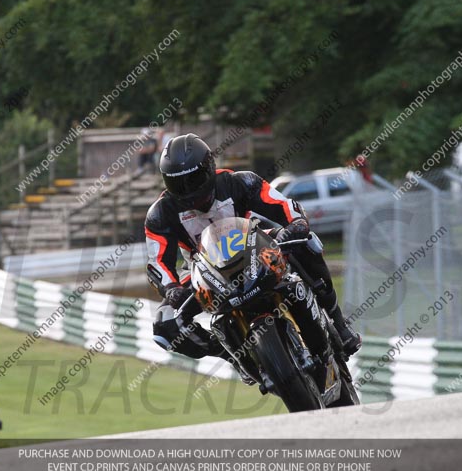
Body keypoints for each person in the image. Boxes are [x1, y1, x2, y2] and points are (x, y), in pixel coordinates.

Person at [144, 133, 361, 374]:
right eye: (178, 185)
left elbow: (283, 206)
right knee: (163, 326)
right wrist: (172, 289)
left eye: (193, 179)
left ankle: (339, 322)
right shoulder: (160, 214)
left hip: (257, 250)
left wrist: (295, 224)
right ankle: (231, 355)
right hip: (205, 274)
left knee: (306, 242)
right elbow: (158, 263)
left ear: (208, 168)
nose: (188, 191)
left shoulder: (239, 182)